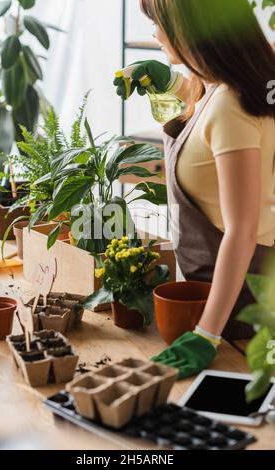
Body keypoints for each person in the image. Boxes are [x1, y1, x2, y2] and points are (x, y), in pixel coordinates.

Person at [114, 0, 275, 378]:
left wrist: (207, 334)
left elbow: (242, 229)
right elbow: (201, 127)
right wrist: (171, 83)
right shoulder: (218, 87)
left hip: (239, 308)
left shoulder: (230, 107)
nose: (154, 34)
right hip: (218, 293)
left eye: (157, 22)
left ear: (188, 29)